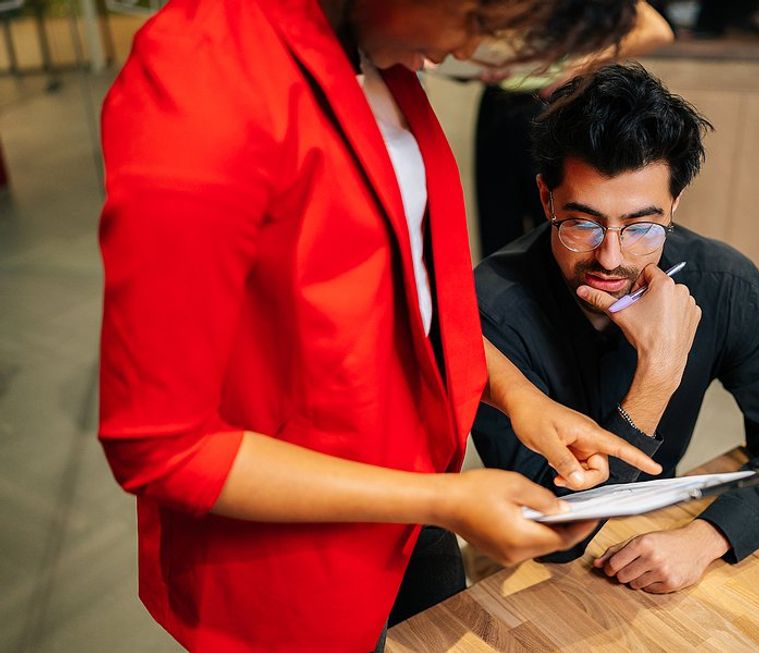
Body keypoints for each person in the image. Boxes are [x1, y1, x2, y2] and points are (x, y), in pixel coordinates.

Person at [97, 2, 665, 650]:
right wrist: (440, 502)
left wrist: (520, 399)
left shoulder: (375, 54)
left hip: (408, 504)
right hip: (290, 564)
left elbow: (404, 312)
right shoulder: (205, 81)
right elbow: (163, 444)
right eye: (479, 24)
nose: (464, 53)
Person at [472, 62, 759, 593]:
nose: (611, 256)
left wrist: (710, 536)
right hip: (532, 574)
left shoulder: (724, 283)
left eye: (643, 226)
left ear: (675, 205)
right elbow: (552, 535)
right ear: (545, 199)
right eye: (581, 222)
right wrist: (657, 377)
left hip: (655, 537)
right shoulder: (487, 312)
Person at [475, 1, 675, 258]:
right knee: (497, 230)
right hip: (500, 101)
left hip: (554, 102)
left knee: (562, 226)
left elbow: (656, 30)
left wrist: (575, 67)